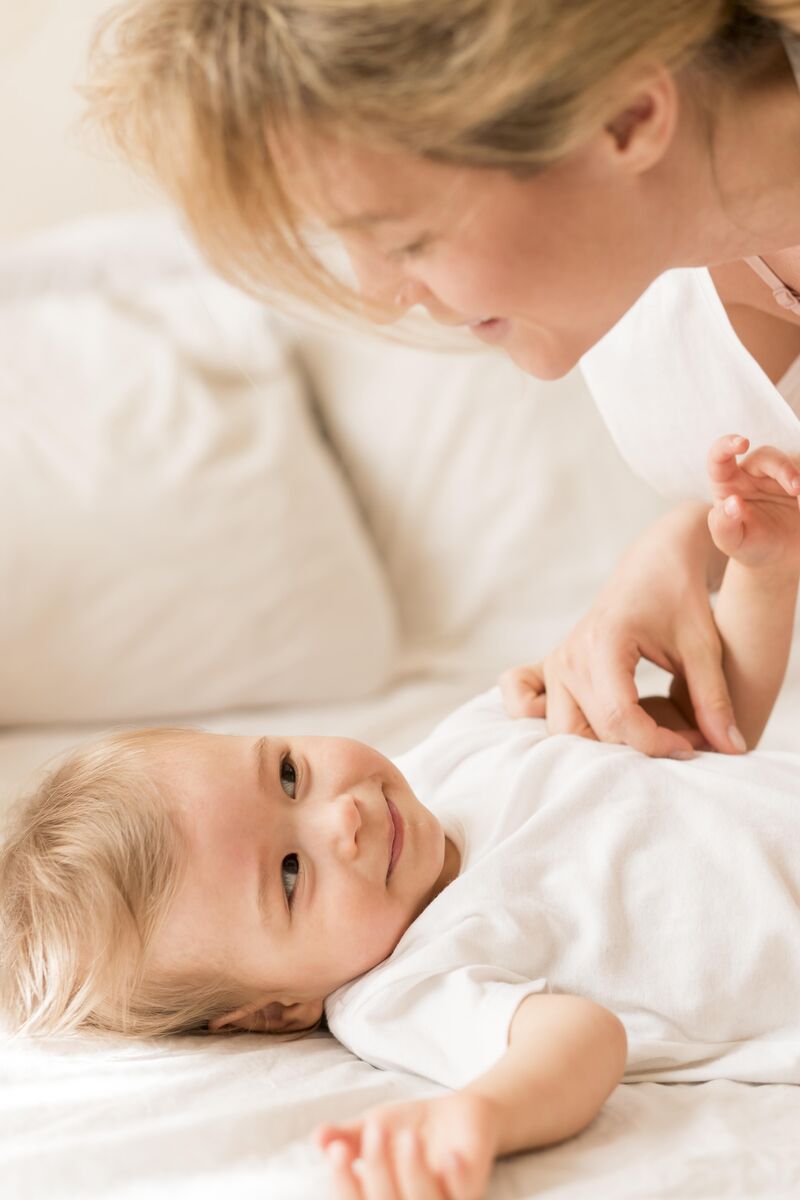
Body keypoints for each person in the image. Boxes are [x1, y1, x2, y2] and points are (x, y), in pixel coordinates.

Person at [2, 433, 799, 1200]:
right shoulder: (401, 990)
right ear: (279, 1010)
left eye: (288, 774)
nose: (339, 819)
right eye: (289, 875)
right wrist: (480, 1115)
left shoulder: (459, 748)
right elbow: (582, 1042)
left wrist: (761, 570)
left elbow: (701, 733)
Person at [83, 1, 800, 761]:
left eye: (405, 239)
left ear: (626, 118)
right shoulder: (649, 312)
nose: (378, 291)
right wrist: (690, 543)